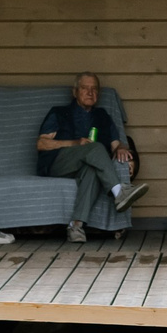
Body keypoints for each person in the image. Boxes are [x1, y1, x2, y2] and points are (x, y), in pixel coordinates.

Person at [36, 72, 145, 242]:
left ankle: (76, 226)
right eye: (85, 88)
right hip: (57, 164)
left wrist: (122, 149)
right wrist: (74, 143)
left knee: (93, 170)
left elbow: (117, 145)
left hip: (85, 165)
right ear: (75, 92)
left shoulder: (102, 116)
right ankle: (118, 192)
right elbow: (42, 144)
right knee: (94, 148)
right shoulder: (59, 112)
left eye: (94, 89)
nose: (90, 92)